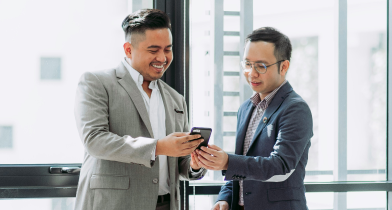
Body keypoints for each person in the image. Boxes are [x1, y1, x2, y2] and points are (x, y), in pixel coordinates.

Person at [73, 9, 206, 210]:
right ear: (128, 50)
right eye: (153, 50)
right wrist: (159, 146)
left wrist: (196, 163)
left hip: (166, 204)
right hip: (114, 205)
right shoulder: (97, 83)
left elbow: (179, 164)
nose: (162, 58)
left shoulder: (176, 99)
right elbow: (94, 140)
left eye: (167, 49)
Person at [196, 27, 313, 210]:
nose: (251, 73)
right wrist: (225, 198)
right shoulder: (246, 108)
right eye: (247, 64)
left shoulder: (295, 108)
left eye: (261, 66)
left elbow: (281, 165)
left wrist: (227, 161)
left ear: (284, 67)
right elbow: (243, 164)